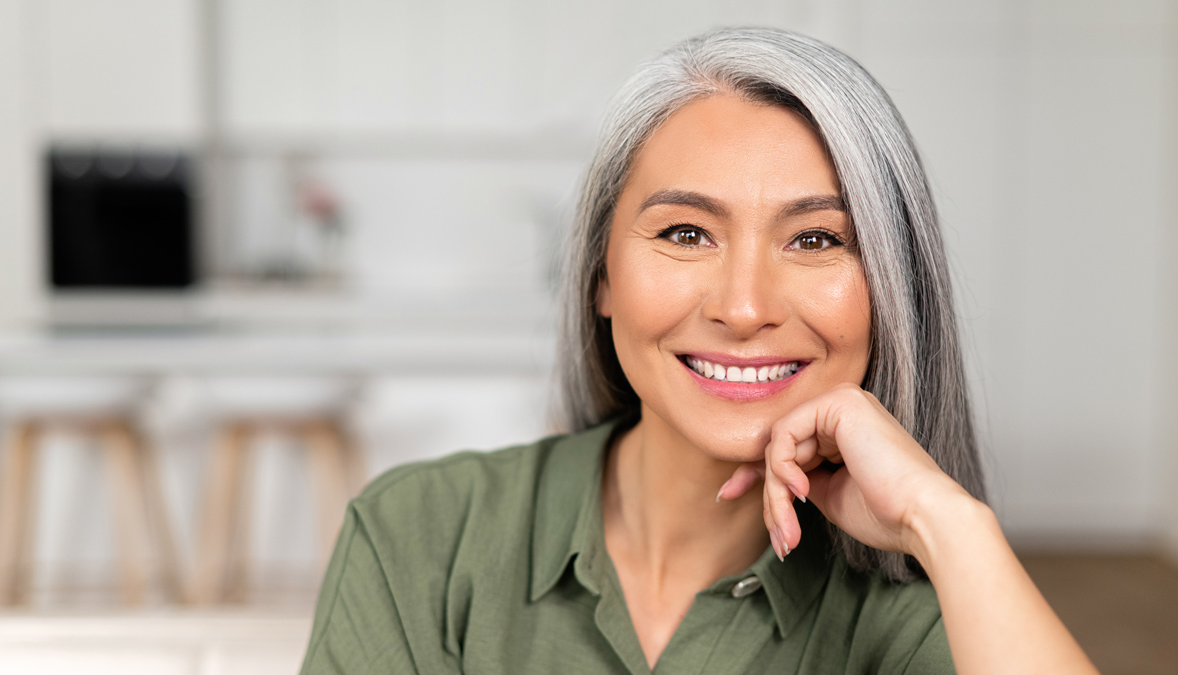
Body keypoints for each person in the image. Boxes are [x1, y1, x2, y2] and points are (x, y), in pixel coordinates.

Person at [300, 27, 1098, 674]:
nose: (743, 308)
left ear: (891, 290)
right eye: (686, 233)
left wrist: (947, 522)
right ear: (600, 276)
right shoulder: (417, 540)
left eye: (816, 238)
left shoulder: (931, 620)